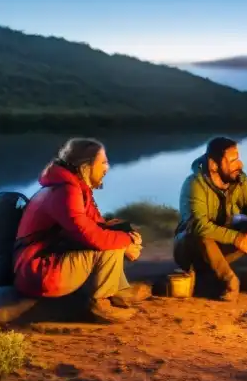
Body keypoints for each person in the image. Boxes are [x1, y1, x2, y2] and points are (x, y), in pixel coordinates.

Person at [13, 138, 151, 323]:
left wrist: (126, 233)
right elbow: (92, 237)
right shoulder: (65, 191)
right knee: (110, 244)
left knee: (115, 231)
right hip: (38, 271)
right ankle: (100, 304)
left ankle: (116, 291)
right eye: (102, 162)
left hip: (49, 261)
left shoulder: (77, 188)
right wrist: (126, 242)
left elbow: (95, 225)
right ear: (86, 166)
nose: (107, 167)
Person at [173, 137, 247, 302]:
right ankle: (228, 281)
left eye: (238, 158)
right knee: (201, 234)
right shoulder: (194, 185)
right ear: (213, 165)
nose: (240, 164)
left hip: (222, 248)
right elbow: (199, 225)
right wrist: (238, 239)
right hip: (192, 252)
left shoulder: (238, 180)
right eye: (233, 160)